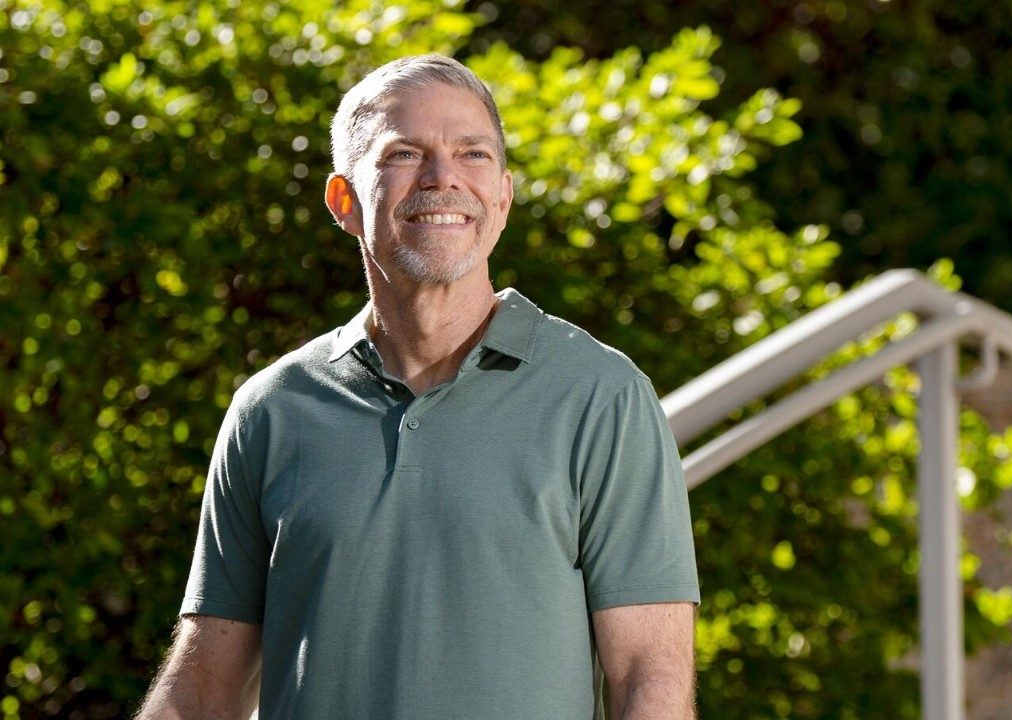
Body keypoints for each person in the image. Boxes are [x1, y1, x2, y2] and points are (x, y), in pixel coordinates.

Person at [136, 55, 700, 719]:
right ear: (343, 202)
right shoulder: (272, 409)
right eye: (405, 153)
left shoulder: (603, 397)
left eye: (473, 154)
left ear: (503, 196)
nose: (443, 179)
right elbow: (204, 683)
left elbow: (650, 682)